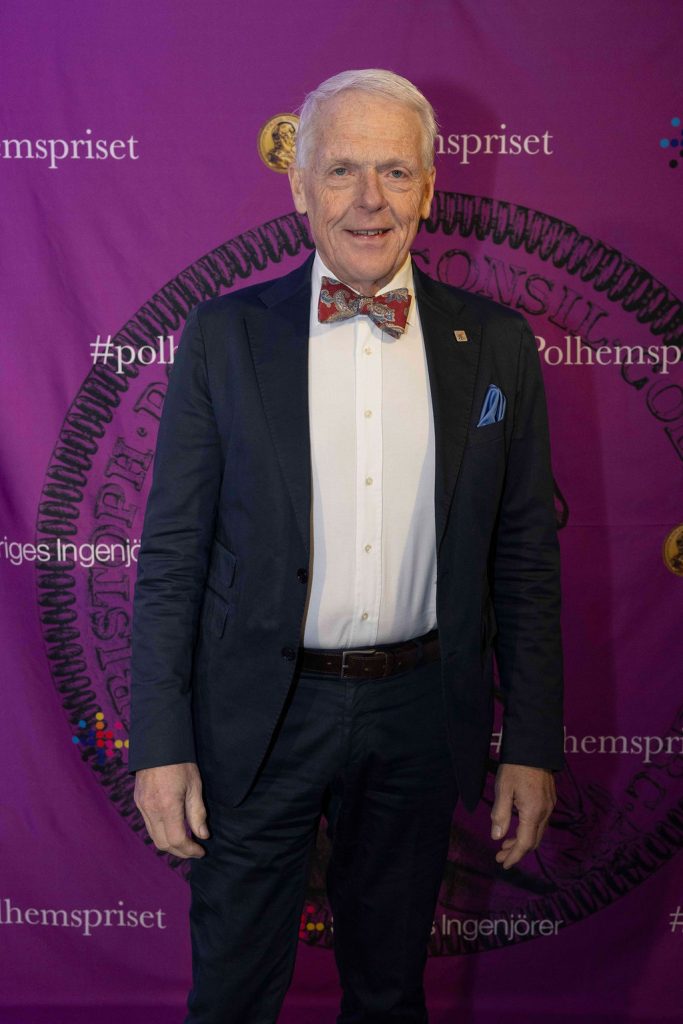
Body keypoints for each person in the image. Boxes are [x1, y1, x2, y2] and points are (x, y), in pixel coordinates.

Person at [130, 68, 564, 1024]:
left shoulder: (496, 343)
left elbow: (525, 558)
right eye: (341, 171)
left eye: (395, 172)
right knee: (232, 995)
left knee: (387, 992)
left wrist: (531, 742)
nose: (370, 200)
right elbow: (171, 556)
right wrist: (159, 744)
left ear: (429, 189)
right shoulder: (224, 336)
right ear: (298, 186)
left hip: (419, 717)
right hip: (257, 718)